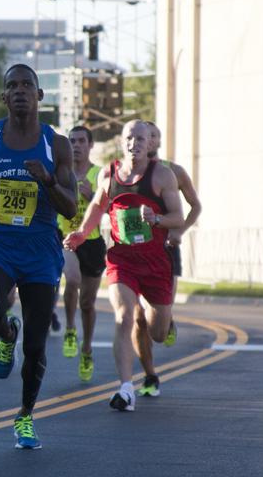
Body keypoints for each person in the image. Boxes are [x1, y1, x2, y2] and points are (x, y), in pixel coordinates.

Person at [0, 63, 77, 449]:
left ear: (40, 96)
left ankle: (25, 415)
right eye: (12, 85)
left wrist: (48, 180)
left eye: (28, 85)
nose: (20, 90)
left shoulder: (56, 145)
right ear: (4, 97)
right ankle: (5, 334)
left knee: (37, 346)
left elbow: (71, 208)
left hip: (41, 251)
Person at [65, 120, 184, 412]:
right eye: (130, 137)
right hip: (122, 259)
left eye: (141, 138)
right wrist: (82, 233)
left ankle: (165, 320)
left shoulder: (163, 176)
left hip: (156, 262)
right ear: (122, 142)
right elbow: (96, 206)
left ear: (150, 144)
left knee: (157, 332)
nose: (136, 143)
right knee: (123, 315)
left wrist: (156, 219)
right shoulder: (110, 173)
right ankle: (126, 389)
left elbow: (178, 217)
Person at [130, 121, 203, 397]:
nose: (145, 141)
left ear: (156, 142)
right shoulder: (126, 171)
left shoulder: (173, 172)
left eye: (152, 136)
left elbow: (196, 206)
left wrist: (179, 231)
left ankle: (166, 318)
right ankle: (149, 375)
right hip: (132, 253)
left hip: (165, 250)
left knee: (156, 325)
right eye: (139, 136)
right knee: (136, 317)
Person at [56, 126, 106, 382]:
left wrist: (92, 196)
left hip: (93, 242)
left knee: (88, 303)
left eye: (81, 141)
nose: (76, 145)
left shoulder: (99, 175)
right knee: (72, 279)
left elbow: (111, 206)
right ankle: (70, 329)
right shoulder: (62, 172)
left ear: (90, 145)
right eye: (72, 141)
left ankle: (87, 349)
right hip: (65, 237)